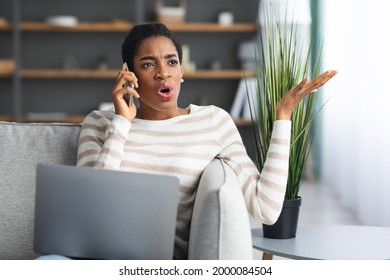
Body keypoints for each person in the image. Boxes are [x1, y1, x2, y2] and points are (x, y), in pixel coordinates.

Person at [76, 23, 337, 259]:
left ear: (182, 72)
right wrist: (122, 123)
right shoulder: (99, 123)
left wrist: (283, 117)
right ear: (129, 76)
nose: (163, 74)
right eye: (148, 64)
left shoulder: (212, 122)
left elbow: (265, 208)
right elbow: (88, 212)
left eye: (172, 62)